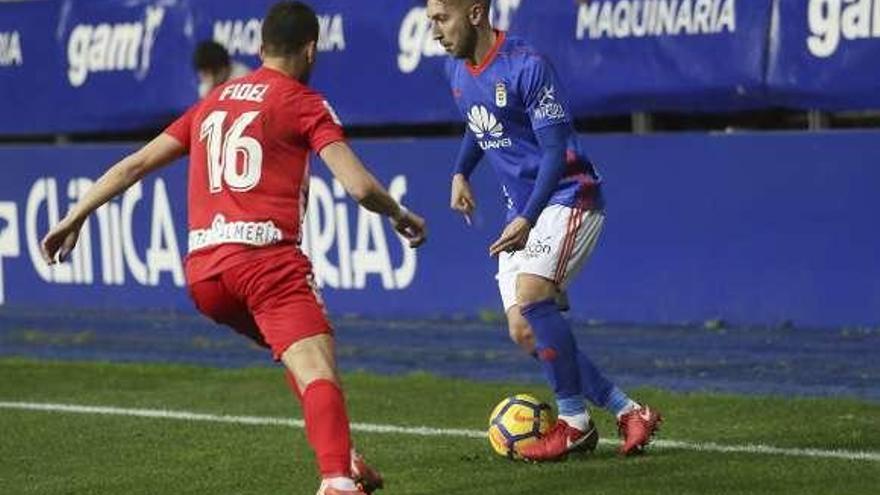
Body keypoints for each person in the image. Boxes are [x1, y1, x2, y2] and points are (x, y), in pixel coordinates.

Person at [41, 2, 426, 494]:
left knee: (298, 356)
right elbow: (359, 187)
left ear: (261, 48)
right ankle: (337, 479)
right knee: (317, 365)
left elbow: (134, 164)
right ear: (312, 50)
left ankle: (343, 457)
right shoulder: (302, 101)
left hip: (205, 275)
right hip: (265, 262)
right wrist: (400, 214)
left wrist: (75, 215)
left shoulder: (212, 102)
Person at [427, 0, 661, 460]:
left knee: (532, 294)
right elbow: (480, 124)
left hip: (568, 197)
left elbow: (554, 152)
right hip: (526, 209)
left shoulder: (527, 66)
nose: (434, 31)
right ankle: (629, 411)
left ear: (475, 13)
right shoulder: (458, 71)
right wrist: (460, 172)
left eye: (441, 18)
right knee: (523, 330)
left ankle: (572, 422)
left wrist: (527, 218)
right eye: (431, 19)